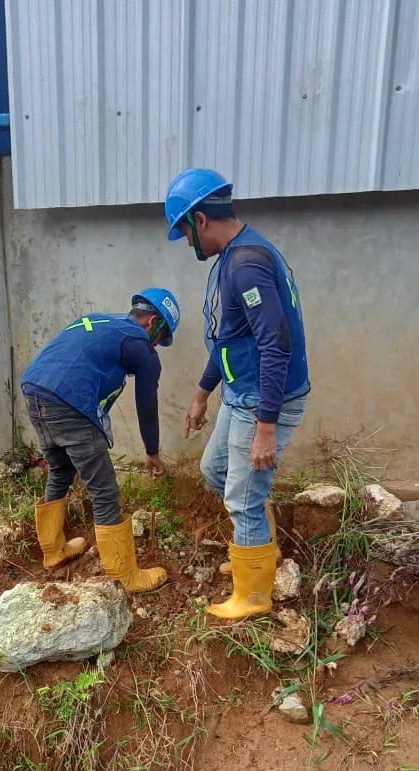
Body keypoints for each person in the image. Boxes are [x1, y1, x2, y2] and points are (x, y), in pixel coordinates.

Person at [164, 168, 310, 620]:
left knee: (242, 498)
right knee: (216, 469)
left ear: (200, 220)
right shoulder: (234, 257)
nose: (188, 244)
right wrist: (201, 393)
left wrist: (266, 427)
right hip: (241, 394)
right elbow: (230, 337)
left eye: (185, 233)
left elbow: (274, 343)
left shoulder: (244, 265)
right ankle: (259, 545)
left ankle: (252, 598)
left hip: (263, 402)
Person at [21, 289, 180, 593]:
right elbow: (147, 403)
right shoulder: (139, 343)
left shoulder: (98, 321)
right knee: (105, 491)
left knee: (60, 471)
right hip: (70, 403)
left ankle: (54, 552)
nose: (157, 344)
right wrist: (152, 451)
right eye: (161, 336)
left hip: (34, 392)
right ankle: (124, 576)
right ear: (151, 321)